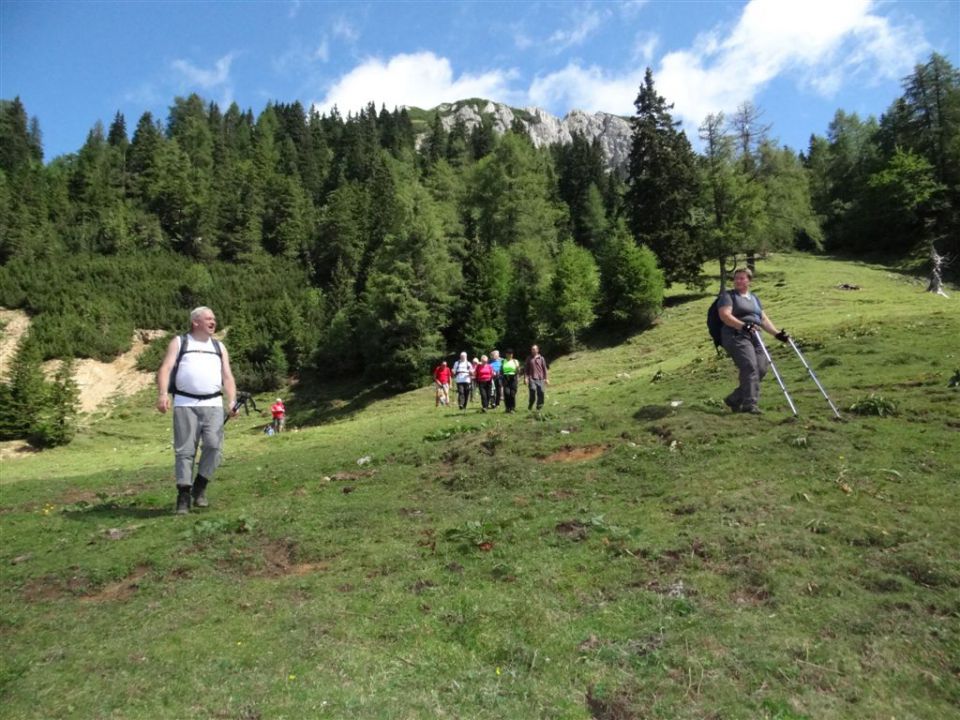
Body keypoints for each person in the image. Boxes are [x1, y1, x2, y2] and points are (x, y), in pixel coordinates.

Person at [156, 306, 237, 514]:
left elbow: (227, 376)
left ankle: (200, 486)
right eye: (208, 319)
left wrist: (232, 400)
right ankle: (183, 495)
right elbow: (165, 368)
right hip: (185, 404)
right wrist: (163, 394)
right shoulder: (180, 342)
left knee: (214, 446)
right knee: (185, 451)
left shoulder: (219, 347)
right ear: (195, 322)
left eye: (214, 319)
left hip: (214, 404)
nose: (213, 322)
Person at [717, 268, 789, 414]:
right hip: (736, 335)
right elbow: (725, 315)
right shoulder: (728, 296)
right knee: (749, 366)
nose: (738, 281)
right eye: (736, 278)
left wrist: (777, 334)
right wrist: (743, 325)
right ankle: (750, 405)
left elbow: (762, 319)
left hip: (755, 336)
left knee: (761, 368)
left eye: (742, 278)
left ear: (749, 280)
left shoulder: (754, 298)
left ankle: (734, 399)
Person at [523, 344, 549, 411]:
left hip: (540, 379)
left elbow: (544, 369)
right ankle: (530, 405)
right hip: (532, 378)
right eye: (532, 349)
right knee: (533, 392)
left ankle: (539, 408)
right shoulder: (529, 358)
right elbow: (526, 369)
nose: (533, 350)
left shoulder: (541, 358)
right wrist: (525, 378)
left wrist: (546, 378)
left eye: (534, 349)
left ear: (537, 350)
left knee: (541, 393)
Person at [500, 348, 520, 413]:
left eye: (511, 354)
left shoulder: (515, 361)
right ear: (506, 354)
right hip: (505, 378)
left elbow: (518, 370)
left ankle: (512, 408)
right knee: (507, 393)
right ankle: (507, 407)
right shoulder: (503, 361)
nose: (510, 355)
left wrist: (518, 369)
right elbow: (501, 370)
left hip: (513, 378)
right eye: (508, 354)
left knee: (512, 393)